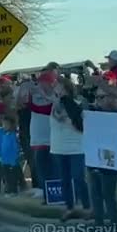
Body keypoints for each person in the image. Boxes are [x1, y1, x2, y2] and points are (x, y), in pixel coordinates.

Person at [50, 77, 91, 221]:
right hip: (58, 146)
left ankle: (87, 207)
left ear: (65, 87)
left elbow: (83, 125)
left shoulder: (79, 102)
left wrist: (69, 118)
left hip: (76, 147)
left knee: (78, 177)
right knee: (64, 180)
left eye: (58, 86)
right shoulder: (54, 104)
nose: (55, 88)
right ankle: (69, 208)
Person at [87, 81, 117, 225]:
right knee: (95, 194)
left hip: (110, 160)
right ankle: (99, 224)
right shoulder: (92, 113)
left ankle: (114, 224)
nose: (98, 101)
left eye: (101, 97)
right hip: (94, 158)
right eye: (97, 97)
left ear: (111, 98)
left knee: (108, 194)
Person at [29, 69, 58, 201]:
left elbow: (47, 109)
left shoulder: (57, 97)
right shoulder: (34, 97)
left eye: (44, 82)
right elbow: (21, 104)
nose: (40, 85)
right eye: (39, 82)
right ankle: (44, 192)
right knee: (41, 168)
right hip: (38, 139)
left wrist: (43, 94)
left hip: (54, 140)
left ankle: (56, 195)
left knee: (53, 169)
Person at [1, 110, 20, 197]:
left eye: (6, 124)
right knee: (7, 176)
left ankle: (13, 190)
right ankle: (8, 189)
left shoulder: (13, 136)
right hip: (5, 160)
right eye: (3, 124)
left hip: (11, 161)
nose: (4, 126)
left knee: (12, 177)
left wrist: (14, 159)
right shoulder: (4, 135)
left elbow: (15, 149)